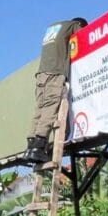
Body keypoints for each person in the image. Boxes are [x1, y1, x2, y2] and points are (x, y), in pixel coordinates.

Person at [25, 17, 87, 164]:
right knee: (50, 108)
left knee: (39, 109)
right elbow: (83, 37)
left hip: (41, 74)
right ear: (79, 24)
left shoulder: (56, 27)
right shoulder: (74, 26)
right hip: (54, 72)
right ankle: (39, 147)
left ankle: (30, 147)